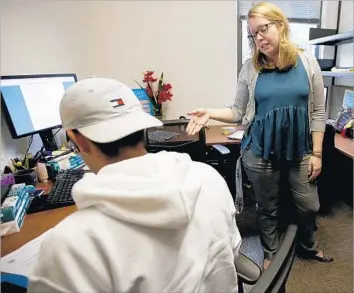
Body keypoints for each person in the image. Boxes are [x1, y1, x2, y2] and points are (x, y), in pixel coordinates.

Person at [27, 77, 242, 293]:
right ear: (141, 126)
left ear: (78, 140)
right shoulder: (208, 177)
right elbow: (232, 252)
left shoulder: (70, 245)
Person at [186, 1, 333, 270]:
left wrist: (317, 153)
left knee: (309, 204)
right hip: (260, 149)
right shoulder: (250, 68)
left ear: (280, 25)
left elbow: (318, 113)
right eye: (253, 34)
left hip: (300, 148)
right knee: (267, 207)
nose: (258, 38)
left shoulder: (307, 61)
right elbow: (237, 111)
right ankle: (270, 254)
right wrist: (209, 112)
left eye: (263, 30)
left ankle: (307, 246)